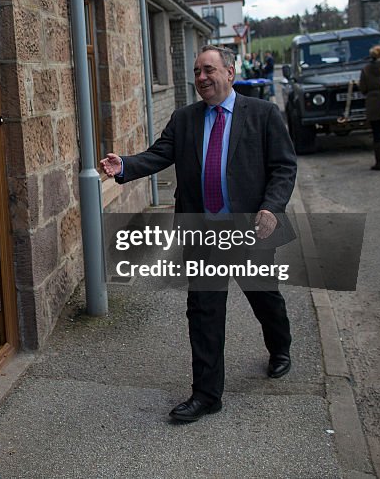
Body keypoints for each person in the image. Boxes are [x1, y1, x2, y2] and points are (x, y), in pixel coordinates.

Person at [100, 45, 297, 424]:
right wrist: (124, 164)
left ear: (229, 73)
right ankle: (206, 395)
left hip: (250, 231)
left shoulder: (263, 114)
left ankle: (280, 348)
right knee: (204, 312)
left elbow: (283, 168)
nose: (202, 78)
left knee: (264, 298)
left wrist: (272, 207)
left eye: (208, 70)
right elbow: (159, 155)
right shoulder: (185, 118)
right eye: (196, 72)